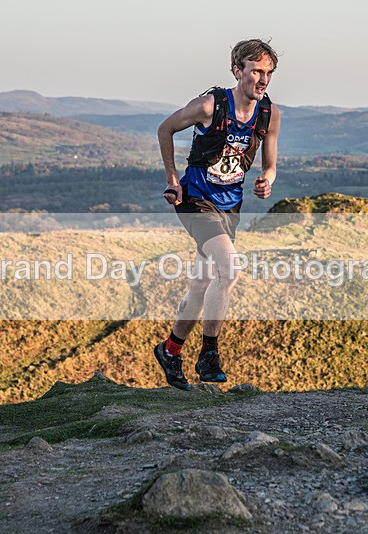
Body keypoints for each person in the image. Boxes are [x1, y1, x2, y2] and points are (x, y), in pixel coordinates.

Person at [154, 38, 281, 390]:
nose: (263, 79)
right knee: (230, 269)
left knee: (201, 285)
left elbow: (270, 166)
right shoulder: (210, 105)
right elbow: (165, 128)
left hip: (230, 207)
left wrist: (266, 182)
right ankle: (209, 352)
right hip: (195, 200)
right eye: (256, 70)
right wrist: (172, 178)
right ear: (237, 71)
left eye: (268, 72)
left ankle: (170, 349)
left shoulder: (269, 113)